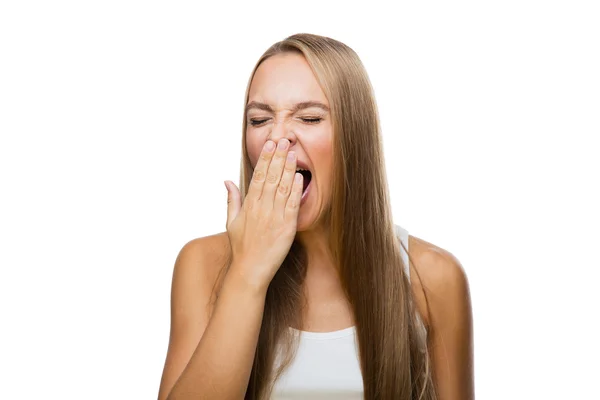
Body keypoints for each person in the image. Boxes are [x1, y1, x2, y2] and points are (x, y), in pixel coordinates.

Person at [157, 33, 473, 400]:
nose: (276, 138)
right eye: (259, 120)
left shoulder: (433, 279)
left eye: (308, 118)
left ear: (355, 137)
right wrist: (247, 272)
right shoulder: (203, 265)